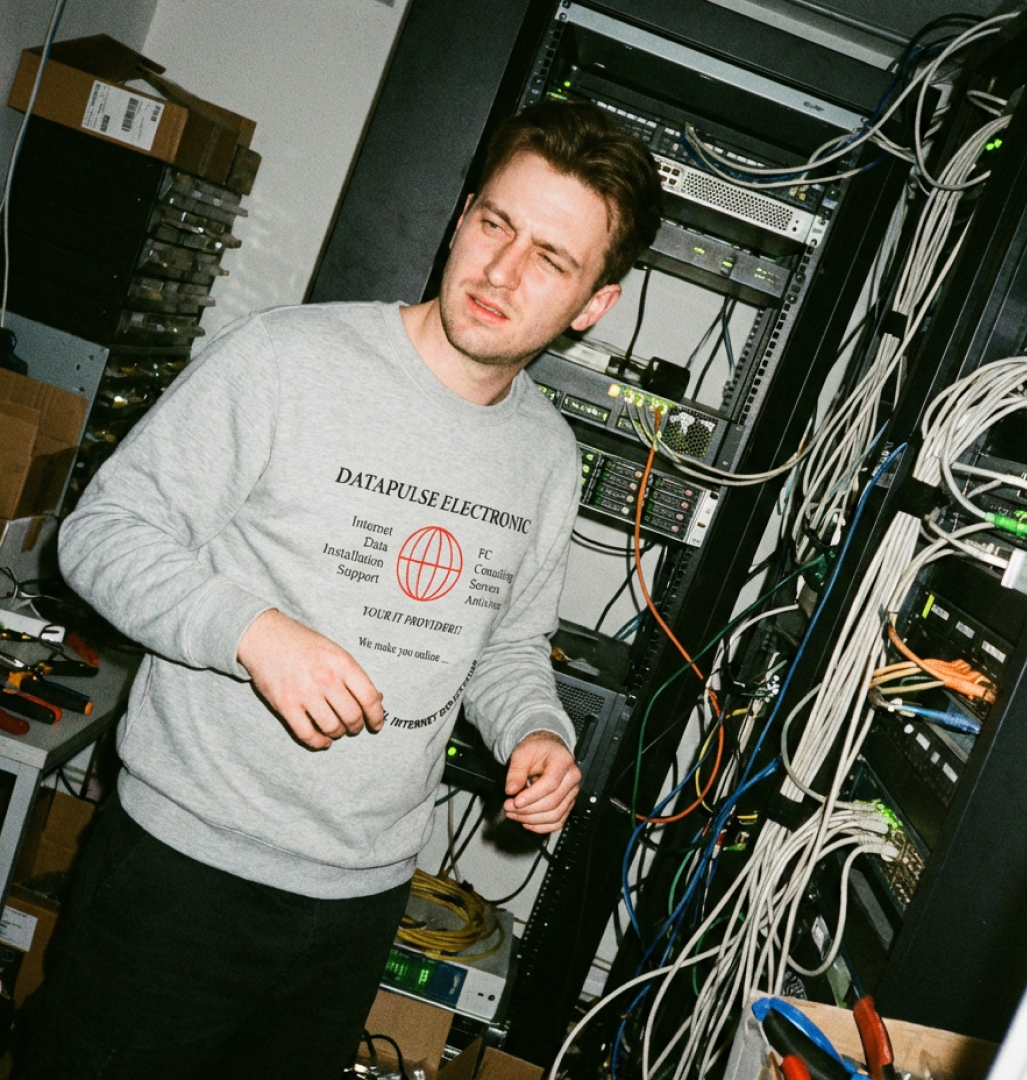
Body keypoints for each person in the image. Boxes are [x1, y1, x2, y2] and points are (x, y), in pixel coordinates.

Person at [17, 101, 661, 1079]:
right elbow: (100, 536)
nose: (501, 270)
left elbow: (508, 646)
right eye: (495, 223)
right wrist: (254, 632)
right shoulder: (286, 358)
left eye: (550, 258)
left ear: (593, 304)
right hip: (181, 877)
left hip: (360, 906)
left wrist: (537, 733)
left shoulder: (546, 455)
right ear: (462, 217)